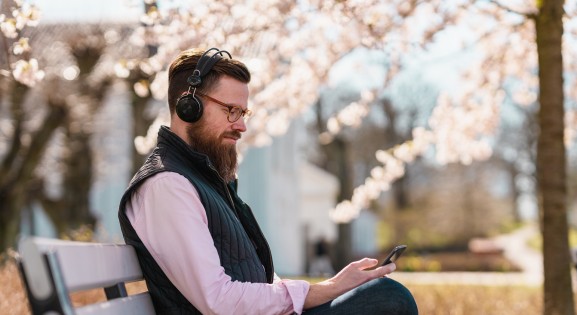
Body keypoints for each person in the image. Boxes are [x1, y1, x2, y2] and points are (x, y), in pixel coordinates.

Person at [118, 47, 418, 315]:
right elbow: (219, 300)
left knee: (378, 294)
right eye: (230, 110)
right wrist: (321, 291)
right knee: (388, 298)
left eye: (243, 112)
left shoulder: (202, 180)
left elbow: (250, 281)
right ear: (189, 106)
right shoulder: (168, 186)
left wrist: (333, 286)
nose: (242, 125)